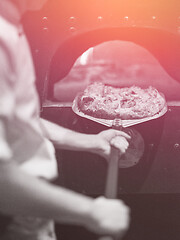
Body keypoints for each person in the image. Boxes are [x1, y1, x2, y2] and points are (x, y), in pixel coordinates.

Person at [0, 0, 131, 239]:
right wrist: (92, 212)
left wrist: (93, 141)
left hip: (30, 209)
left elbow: (19, 124)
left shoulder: (11, 28)